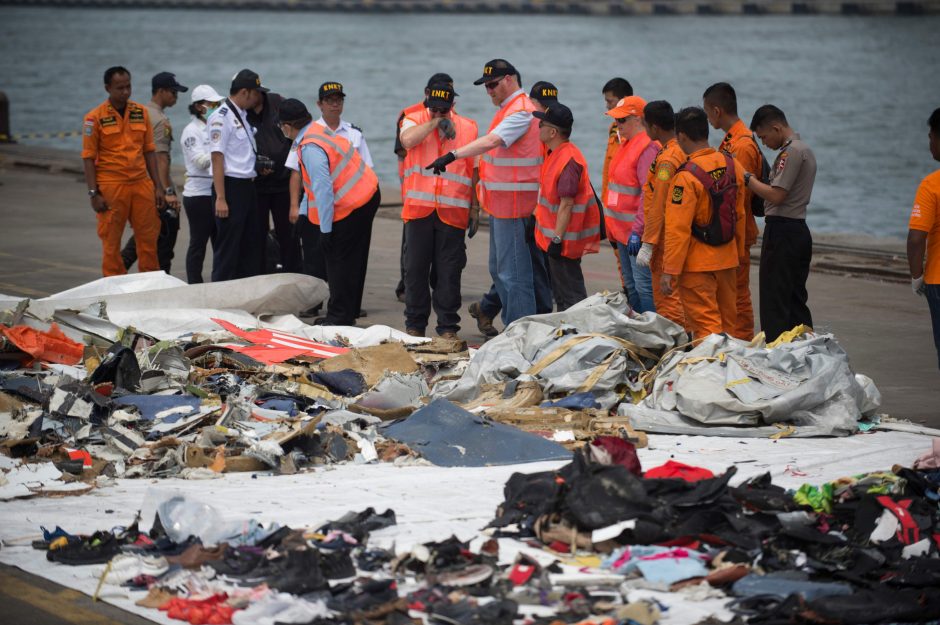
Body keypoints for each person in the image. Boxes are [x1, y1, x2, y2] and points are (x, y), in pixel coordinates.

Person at [427, 59, 550, 334]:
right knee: (504, 270)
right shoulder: (510, 110)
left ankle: (521, 333)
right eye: (486, 86)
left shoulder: (521, 111)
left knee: (513, 273)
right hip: (504, 205)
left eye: (493, 84)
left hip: (515, 205)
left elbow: (493, 141)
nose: (489, 91)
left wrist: (453, 154)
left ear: (509, 79)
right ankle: (530, 326)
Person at [279, 98, 381, 326]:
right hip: (366, 193)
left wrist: (325, 230)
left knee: (338, 259)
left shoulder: (310, 147)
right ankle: (346, 312)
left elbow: (323, 190)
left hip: (355, 202)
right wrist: (304, 215)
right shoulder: (316, 131)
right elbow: (312, 187)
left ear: (287, 126)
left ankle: (339, 317)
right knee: (349, 258)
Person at [399, 83, 479, 338]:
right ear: (427, 104)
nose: (438, 113)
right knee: (415, 271)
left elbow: (475, 169)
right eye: (433, 108)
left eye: (443, 110)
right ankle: (415, 325)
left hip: (453, 211)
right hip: (419, 210)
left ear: (453, 106)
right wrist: (434, 124)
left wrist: (475, 207)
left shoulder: (468, 127)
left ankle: (447, 327)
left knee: (449, 273)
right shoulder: (412, 120)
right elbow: (406, 140)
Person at [662, 107, 746, 339]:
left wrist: (669, 271)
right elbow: (739, 214)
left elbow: (677, 229)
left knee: (705, 326)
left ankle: (709, 372)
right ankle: (730, 370)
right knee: (729, 323)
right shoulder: (732, 165)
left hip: (698, 266)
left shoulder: (685, 178)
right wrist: (738, 253)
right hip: (727, 260)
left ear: (681, 136)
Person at [82, 66, 165, 277]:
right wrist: (94, 193)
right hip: (111, 186)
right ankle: (115, 288)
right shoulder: (94, 118)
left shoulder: (140, 112)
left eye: (128, 86)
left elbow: (149, 152)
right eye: (120, 88)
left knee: (148, 240)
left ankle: (149, 285)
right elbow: (88, 158)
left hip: (140, 184)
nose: (126, 92)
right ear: (107, 88)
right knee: (111, 243)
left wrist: (158, 187)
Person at [745, 104, 817, 342]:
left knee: (774, 301)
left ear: (777, 128)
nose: (764, 143)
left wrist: (747, 179)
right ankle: (805, 350)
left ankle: (776, 353)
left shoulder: (792, 152)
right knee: (794, 299)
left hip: (783, 230)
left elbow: (777, 195)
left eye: (764, 137)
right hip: (795, 229)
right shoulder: (802, 149)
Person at [704, 82, 762, 340]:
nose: (707, 118)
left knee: (738, 293)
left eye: (707, 111)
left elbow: (742, 195)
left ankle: (744, 340)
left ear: (716, 111)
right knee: (727, 292)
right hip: (729, 228)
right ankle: (733, 338)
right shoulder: (730, 141)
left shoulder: (742, 145)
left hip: (738, 229)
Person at [394, 73, 456, 303]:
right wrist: (405, 186)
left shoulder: (457, 120)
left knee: (442, 260)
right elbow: (403, 150)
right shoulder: (410, 115)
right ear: (427, 93)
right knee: (412, 254)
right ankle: (405, 287)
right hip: (416, 194)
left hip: (445, 201)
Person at [532, 103, 600, 310]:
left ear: (552, 132)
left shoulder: (568, 161)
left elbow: (567, 204)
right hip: (557, 240)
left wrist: (557, 239)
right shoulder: (556, 153)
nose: (538, 126)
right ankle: (567, 334)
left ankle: (579, 336)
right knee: (562, 296)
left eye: (541, 123)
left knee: (572, 297)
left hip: (564, 243)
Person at [120, 71, 187, 274]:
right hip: (156, 188)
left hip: (138, 183)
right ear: (161, 91)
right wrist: (167, 191)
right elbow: (160, 159)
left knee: (142, 238)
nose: (176, 96)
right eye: (174, 92)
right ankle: (160, 285)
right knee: (163, 244)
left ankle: (114, 275)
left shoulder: (138, 113)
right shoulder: (160, 120)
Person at [208, 68, 267, 282]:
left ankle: (245, 294)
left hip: (247, 186)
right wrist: (221, 198)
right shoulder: (221, 117)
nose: (257, 98)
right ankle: (220, 297)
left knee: (250, 244)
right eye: (255, 93)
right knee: (228, 248)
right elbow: (217, 157)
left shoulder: (241, 115)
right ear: (244, 92)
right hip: (231, 187)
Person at [604, 96, 659, 313]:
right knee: (631, 286)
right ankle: (638, 329)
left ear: (638, 119)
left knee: (643, 287)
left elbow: (649, 192)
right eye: (616, 120)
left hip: (636, 235)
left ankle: (652, 331)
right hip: (621, 233)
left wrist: (638, 231)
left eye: (622, 120)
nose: (618, 125)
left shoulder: (646, 147)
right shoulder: (625, 144)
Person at [636, 100, 686, 326]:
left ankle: (677, 349)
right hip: (669, 235)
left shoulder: (667, 160)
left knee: (668, 301)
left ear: (654, 127)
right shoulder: (674, 150)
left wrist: (648, 242)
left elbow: (659, 202)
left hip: (665, 239)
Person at [248, 84, 297, 274]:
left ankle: (292, 274)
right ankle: (259, 275)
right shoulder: (242, 111)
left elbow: (296, 131)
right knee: (257, 236)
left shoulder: (278, 102)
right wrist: (256, 165)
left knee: (288, 235)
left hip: (283, 183)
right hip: (257, 186)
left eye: (258, 93)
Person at [180, 84, 224, 284]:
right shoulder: (191, 131)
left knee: (219, 242)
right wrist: (220, 154)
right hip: (198, 195)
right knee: (198, 243)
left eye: (217, 103)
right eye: (212, 103)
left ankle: (218, 283)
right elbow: (200, 160)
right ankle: (194, 285)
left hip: (214, 192)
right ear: (199, 106)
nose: (216, 106)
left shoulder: (215, 126)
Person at [907, 107, 940, 369]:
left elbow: (917, 237)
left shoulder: (932, 185)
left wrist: (917, 276)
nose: (929, 143)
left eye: (931, 137)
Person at [601, 78, 633, 293]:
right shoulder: (615, 129)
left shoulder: (636, 133)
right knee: (623, 269)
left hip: (629, 218)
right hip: (613, 212)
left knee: (636, 274)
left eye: (610, 102)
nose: (607, 106)